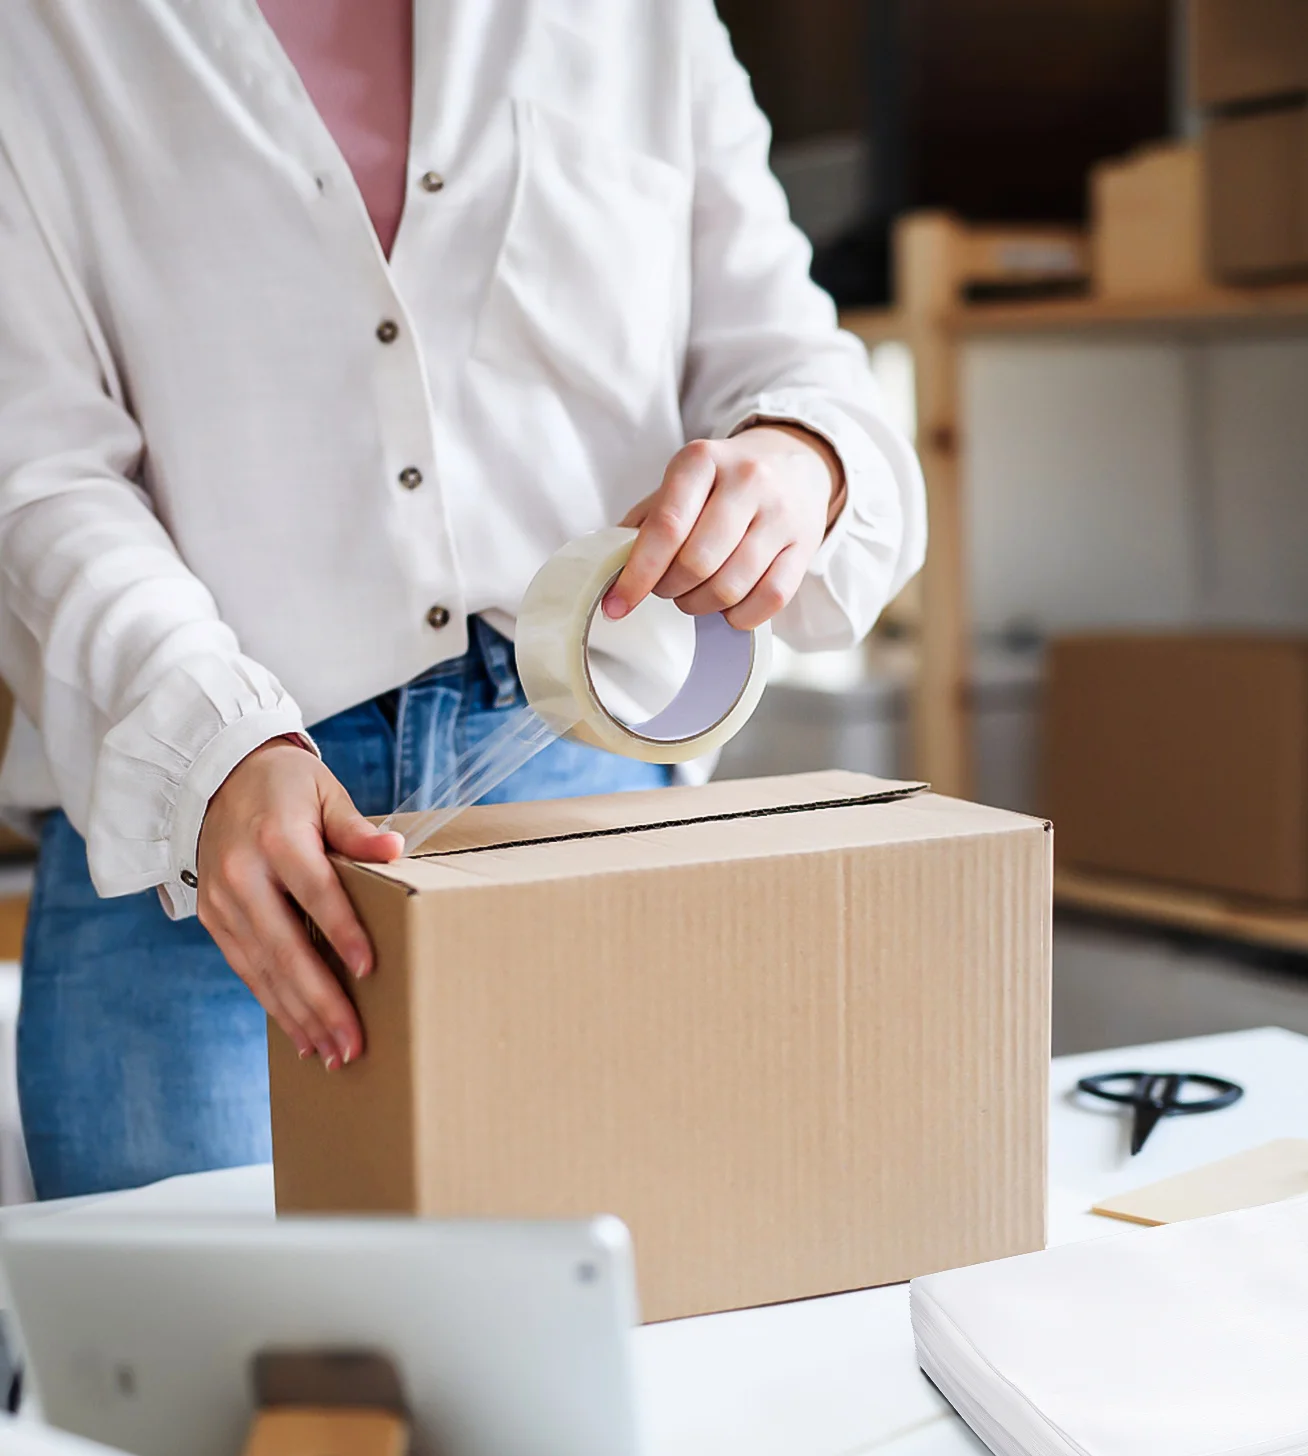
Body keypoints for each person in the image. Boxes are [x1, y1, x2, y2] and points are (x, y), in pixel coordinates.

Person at [0, 1, 924, 1200]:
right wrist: (205, 747)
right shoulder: (45, 30)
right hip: (207, 850)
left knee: (609, 1351)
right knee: (201, 1372)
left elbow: (790, 357)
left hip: (575, 784)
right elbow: (40, 467)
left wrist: (803, 455)